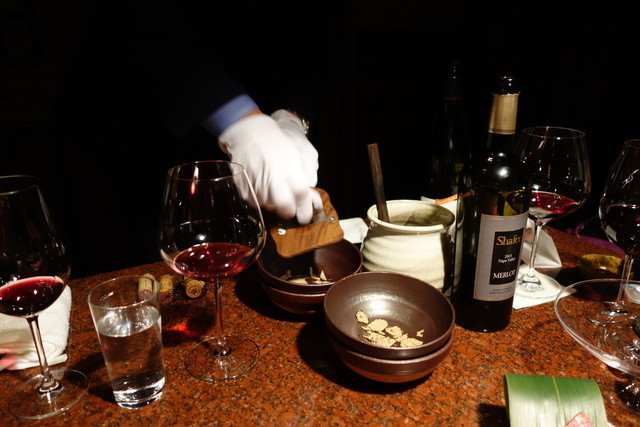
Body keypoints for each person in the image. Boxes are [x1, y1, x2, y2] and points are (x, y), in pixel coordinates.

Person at [54, 1, 335, 277]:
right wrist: (241, 122)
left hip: (256, 90)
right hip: (148, 119)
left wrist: (291, 117)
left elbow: (309, 33)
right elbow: (142, 18)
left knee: (248, 254)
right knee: (167, 255)